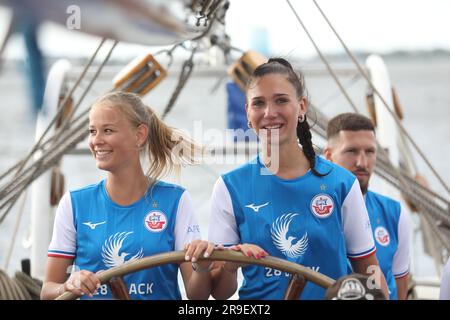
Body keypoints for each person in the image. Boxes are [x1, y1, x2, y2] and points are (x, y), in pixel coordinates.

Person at [208, 58, 389, 300]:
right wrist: (230, 264)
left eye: (281, 100)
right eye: (259, 103)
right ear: (248, 113)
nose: (269, 113)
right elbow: (220, 294)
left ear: (302, 106)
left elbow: (369, 270)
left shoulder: (341, 183)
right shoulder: (230, 188)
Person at [40, 92, 214, 300]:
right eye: (92, 131)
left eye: (107, 131)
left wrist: (202, 267)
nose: (96, 140)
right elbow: (47, 292)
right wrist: (68, 285)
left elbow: (198, 298)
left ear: (139, 135)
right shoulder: (74, 204)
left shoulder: (175, 201)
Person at [324, 113, 411, 300]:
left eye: (369, 152)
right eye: (351, 151)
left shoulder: (396, 214)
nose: (362, 163)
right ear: (329, 156)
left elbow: (400, 286)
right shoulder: (312, 211)